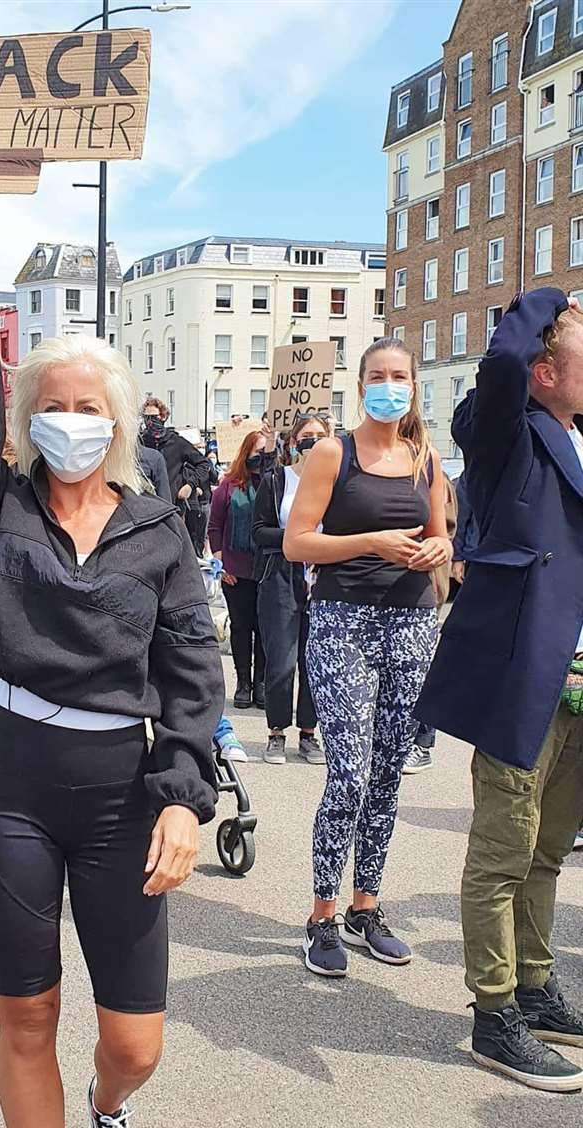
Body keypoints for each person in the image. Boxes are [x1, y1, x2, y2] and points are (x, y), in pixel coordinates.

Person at [0, 148, 223, 1128]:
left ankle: (105, 1103)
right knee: (28, 1014)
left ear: (120, 424)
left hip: (120, 790)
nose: (67, 421)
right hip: (11, 776)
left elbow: (191, 668)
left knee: (136, 1041)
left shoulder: (156, 530)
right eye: (48, 406)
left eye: (86, 407)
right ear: (26, 420)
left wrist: (186, 796)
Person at [415, 289, 583, 1091]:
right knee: (503, 852)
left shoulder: (579, 439)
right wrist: (552, 299)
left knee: (548, 851)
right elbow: (505, 359)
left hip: (578, 682)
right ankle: (494, 1014)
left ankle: (537, 988)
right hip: (525, 673)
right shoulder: (506, 432)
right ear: (547, 372)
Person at [284, 336, 451, 978]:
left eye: (400, 375)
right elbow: (298, 543)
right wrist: (370, 542)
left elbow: (439, 537)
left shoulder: (426, 459)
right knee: (348, 770)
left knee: (388, 769)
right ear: (360, 386)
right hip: (343, 619)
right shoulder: (334, 452)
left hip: (410, 619)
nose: (390, 385)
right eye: (377, 375)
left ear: (413, 383)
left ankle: (365, 906)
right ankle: (322, 913)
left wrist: (438, 552)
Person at [252, 413, 329, 765]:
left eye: (320, 435)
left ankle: (309, 733)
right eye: (307, 435)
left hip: (323, 576)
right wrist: (298, 539)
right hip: (282, 575)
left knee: (312, 660)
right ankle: (277, 731)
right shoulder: (276, 480)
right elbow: (259, 531)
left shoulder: (335, 482)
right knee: (281, 660)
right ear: (294, 441)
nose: (312, 440)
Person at [208, 428, 270, 710]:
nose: (261, 457)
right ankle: (243, 683)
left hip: (267, 571)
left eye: (266, 452)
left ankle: (261, 684)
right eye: (257, 451)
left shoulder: (275, 484)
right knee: (241, 628)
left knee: (265, 629)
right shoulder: (228, 486)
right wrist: (222, 563)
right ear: (246, 453)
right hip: (235, 572)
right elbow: (215, 526)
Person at [401, 473, 458, 774]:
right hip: (386, 591)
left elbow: (446, 530)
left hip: (423, 587)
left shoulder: (432, 475)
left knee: (421, 672)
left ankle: (422, 743)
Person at [139, 396, 212, 547]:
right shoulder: (140, 441)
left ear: (163, 417)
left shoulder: (176, 442)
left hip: (172, 508)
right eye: (146, 418)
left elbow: (203, 463)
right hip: (145, 508)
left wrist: (190, 485)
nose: (150, 422)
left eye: (154, 417)